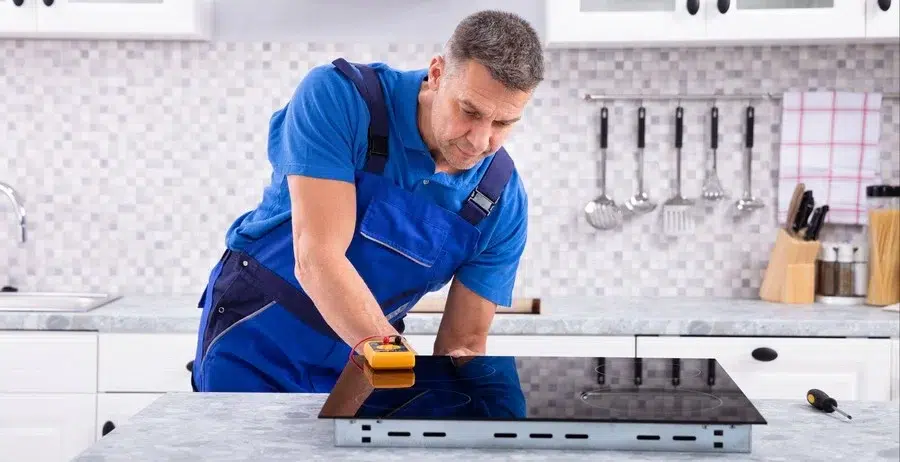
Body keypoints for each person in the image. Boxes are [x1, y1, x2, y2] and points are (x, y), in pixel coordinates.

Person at [190, 9, 544, 393]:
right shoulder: (341, 98)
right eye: (469, 111)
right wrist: (395, 363)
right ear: (437, 74)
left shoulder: (499, 199)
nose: (480, 140)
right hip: (255, 343)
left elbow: (463, 346)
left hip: (362, 369)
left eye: (503, 124)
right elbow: (318, 260)